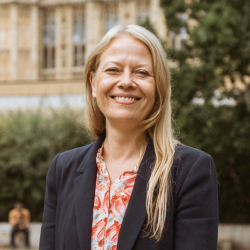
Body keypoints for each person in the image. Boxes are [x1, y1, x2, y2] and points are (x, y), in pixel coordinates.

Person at [39, 24, 218, 250]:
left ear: (158, 87)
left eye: (141, 72)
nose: (125, 82)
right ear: (94, 83)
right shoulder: (63, 168)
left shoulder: (190, 171)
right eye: (113, 70)